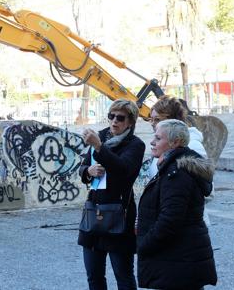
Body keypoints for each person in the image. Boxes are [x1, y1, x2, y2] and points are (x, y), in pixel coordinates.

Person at [136, 119, 217, 289]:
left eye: (158, 139)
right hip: (181, 258)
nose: (152, 142)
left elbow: (170, 220)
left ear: (175, 143)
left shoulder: (176, 173)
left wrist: (144, 244)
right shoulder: (173, 168)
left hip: (178, 261)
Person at [79, 99, 145, 290]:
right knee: (94, 276)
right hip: (94, 212)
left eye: (120, 118)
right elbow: (82, 168)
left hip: (119, 214)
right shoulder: (100, 137)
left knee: (123, 276)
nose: (114, 121)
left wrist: (100, 148)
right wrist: (88, 171)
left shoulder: (135, 144)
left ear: (130, 122)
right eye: (111, 116)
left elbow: (124, 170)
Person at [144, 95, 212, 226]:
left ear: (173, 121)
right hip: (162, 221)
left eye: (157, 119)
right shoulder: (159, 146)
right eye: (151, 119)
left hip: (185, 226)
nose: (153, 123)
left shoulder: (192, 145)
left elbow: (208, 189)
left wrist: (175, 205)